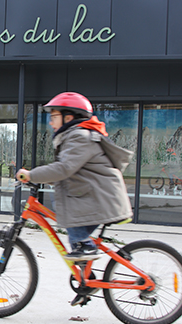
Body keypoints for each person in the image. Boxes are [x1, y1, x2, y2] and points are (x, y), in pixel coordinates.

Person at [16, 92, 133, 264]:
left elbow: (63, 169)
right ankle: (86, 277)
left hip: (100, 199)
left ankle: (87, 247)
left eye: (54, 116)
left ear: (68, 117)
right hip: (96, 197)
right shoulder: (74, 136)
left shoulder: (80, 137)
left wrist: (31, 174)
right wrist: (41, 178)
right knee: (71, 227)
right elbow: (69, 172)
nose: (50, 122)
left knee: (68, 212)